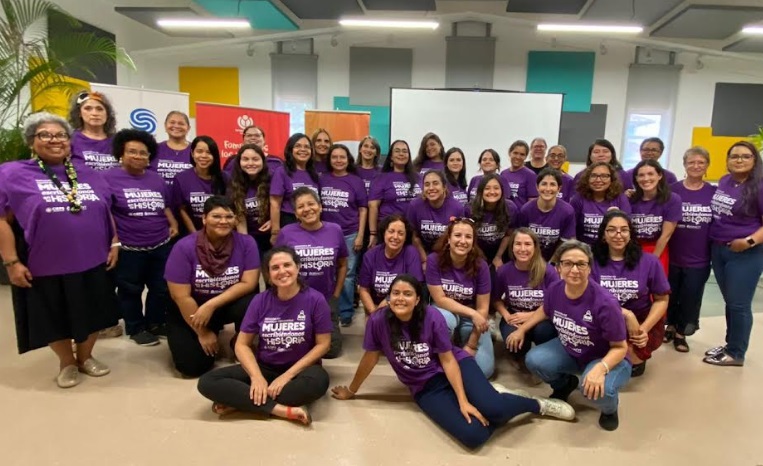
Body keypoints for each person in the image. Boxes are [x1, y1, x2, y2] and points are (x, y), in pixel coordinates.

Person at [331, 275, 575, 450]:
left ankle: (535, 404)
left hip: (456, 367)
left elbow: (448, 360)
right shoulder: (378, 321)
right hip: (425, 387)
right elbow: (371, 357)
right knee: (474, 437)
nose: (400, 298)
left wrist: (462, 402)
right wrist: (352, 391)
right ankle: (494, 398)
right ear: (389, 297)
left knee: (495, 410)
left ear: (418, 300)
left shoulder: (432, 317)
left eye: (408, 294)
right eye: (395, 293)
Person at [0, 112, 120, 388]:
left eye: (61, 135)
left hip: (93, 259)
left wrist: (113, 242)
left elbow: (105, 210)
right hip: (46, 262)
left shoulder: (88, 173)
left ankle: (86, 357)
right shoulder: (12, 173)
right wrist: (11, 262)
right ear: (32, 142)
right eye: (45, 135)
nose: (55, 140)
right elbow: (2, 220)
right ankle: (67, 362)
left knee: (94, 313)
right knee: (54, 315)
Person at [197, 247, 331, 425]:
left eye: (287, 265)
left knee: (318, 382)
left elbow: (323, 344)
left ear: (297, 267)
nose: (282, 271)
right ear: (268, 275)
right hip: (266, 367)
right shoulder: (259, 300)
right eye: (275, 268)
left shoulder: (316, 299)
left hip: (301, 370)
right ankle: (280, 409)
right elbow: (242, 344)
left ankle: (243, 402)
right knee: (207, 382)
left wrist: (287, 376)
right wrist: (256, 377)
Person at [514, 240, 631, 431]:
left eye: (581, 264)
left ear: (589, 268)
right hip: (571, 348)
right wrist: (522, 329)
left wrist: (600, 368)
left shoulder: (605, 303)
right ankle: (565, 384)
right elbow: (545, 310)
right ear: (559, 267)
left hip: (605, 357)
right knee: (534, 360)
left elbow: (620, 347)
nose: (574, 270)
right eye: (567, 263)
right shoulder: (555, 289)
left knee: (596, 390)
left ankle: (609, 409)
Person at [164, 196, 259, 377]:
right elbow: (180, 296)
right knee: (191, 368)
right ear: (204, 218)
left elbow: (249, 283)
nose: (223, 221)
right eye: (216, 216)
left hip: (223, 305)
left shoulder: (247, 243)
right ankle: (207, 331)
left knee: (256, 300)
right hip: (191, 309)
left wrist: (211, 304)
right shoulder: (184, 247)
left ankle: (240, 341)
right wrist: (203, 332)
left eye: (229, 217)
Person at [105, 129, 179, 346]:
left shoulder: (156, 179)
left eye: (143, 153)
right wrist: (114, 241)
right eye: (132, 152)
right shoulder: (108, 178)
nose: (138, 156)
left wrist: (173, 223)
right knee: (130, 289)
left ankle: (156, 322)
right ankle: (136, 327)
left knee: (161, 287)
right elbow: (106, 213)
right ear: (121, 153)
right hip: (129, 247)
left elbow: (163, 205)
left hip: (160, 242)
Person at [704, 141, 763, 367]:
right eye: (734, 156)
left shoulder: (759, 185)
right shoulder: (725, 181)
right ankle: (730, 344)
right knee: (730, 301)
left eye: (746, 156)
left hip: (746, 253)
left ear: (754, 160)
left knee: (739, 304)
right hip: (719, 249)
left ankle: (736, 353)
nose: (739, 160)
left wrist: (748, 241)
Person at [592, 211, 670, 377]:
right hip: (602, 318)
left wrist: (644, 329)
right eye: (611, 230)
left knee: (631, 360)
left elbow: (662, 299)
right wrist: (626, 314)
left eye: (624, 230)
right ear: (603, 235)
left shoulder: (649, 261)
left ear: (631, 234)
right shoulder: (591, 261)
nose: (618, 235)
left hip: (640, 320)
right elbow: (588, 300)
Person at [275, 187, 347, 357]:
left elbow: (343, 264)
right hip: (295, 299)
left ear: (320, 206)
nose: (307, 209)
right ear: (296, 214)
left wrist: (335, 295)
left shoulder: (335, 230)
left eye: (311, 204)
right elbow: (275, 265)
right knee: (294, 346)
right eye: (301, 207)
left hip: (326, 299)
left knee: (331, 352)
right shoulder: (286, 233)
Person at [426, 218, 494, 378]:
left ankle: (461, 341)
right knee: (447, 320)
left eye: (468, 237)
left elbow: (483, 308)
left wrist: (471, 344)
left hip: (471, 317)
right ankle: (443, 352)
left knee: (485, 371)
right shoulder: (433, 260)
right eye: (457, 235)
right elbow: (440, 298)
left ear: (473, 242)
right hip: (444, 310)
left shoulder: (481, 266)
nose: (463, 241)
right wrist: (473, 314)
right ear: (448, 239)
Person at [665, 146, 716, 353]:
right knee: (669, 294)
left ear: (707, 166)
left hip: (699, 257)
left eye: (700, 162)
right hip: (672, 254)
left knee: (691, 296)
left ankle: (681, 333)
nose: (696, 166)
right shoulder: (673, 190)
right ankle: (669, 326)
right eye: (691, 162)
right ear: (684, 165)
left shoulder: (713, 193)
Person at [493, 229, 559, 368]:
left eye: (528, 244)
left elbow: (555, 303)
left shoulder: (548, 271)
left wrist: (529, 316)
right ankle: (518, 356)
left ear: (535, 247)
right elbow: (496, 299)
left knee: (545, 332)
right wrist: (506, 316)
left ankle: (543, 359)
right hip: (514, 314)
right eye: (518, 244)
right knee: (514, 340)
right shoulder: (504, 271)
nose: (523, 249)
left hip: (542, 316)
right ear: (512, 247)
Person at [319, 144, 368, 327]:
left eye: (342, 157)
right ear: (329, 160)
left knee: (347, 274)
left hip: (350, 233)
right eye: (334, 157)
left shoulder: (356, 181)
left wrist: (360, 235)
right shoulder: (322, 179)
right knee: (327, 273)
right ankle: (327, 309)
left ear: (348, 159)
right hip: (326, 233)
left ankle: (345, 312)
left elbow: (363, 209)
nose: (338, 160)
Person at [358, 215, 424, 314]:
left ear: (406, 237)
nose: (395, 237)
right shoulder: (370, 255)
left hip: (403, 306)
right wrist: (374, 314)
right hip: (375, 307)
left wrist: (387, 302)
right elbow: (364, 290)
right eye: (391, 231)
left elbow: (413, 288)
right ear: (384, 233)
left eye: (401, 233)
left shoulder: (411, 253)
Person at [629, 159, 681, 272]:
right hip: (631, 250)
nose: (646, 179)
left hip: (658, 249)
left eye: (650, 174)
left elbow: (666, 235)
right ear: (636, 179)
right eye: (641, 175)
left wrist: (653, 260)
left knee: (655, 287)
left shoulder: (672, 199)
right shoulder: (630, 199)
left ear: (660, 175)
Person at [368, 140, 421, 248]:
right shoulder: (381, 178)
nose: (401, 154)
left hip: (413, 232)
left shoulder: (419, 177)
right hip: (390, 232)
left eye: (404, 151)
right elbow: (373, 206)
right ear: (391, 156)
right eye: (397, 151)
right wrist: (373, 233)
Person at [269, 133, 321, 244]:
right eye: (298, 146)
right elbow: (275, 203)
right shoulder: (282, 172)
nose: (303, 149)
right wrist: (275, 231)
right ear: (290, 149)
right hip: (289, 221)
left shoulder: (313, 174)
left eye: (307, 147)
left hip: (311, 223)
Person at [172, 136, 228, 232]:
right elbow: (182, 210)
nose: (204, 156)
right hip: (192, 232)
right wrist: (195, 234)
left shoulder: (225, 178)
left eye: (209, 152)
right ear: (192, 153)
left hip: (220, 231)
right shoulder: (181, 178)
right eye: (199, 151)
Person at [519, 168, 576, 262]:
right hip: (530, 259)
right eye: (544, 184)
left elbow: (566, 243)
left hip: (556, 259)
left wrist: (551, 264)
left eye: (552, 184)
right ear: (537, 187)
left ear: (559, 188)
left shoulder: (567, 211)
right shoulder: (526, 210)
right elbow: (522, 240)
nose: (548, 189)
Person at [408, 170, 465, 261]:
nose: (431, 188)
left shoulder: (457, 208)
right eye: (427, 184)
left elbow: (458, 240)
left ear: (444, 187)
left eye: (435, 183)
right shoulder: (415, 206)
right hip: (422, 253)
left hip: (447, 254)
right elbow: (414, 237)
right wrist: (424, 260)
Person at [570, 162, 631, 244]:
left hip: (611, 247)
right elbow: (571, 229)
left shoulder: (620, 198)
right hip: (585, 249)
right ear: (587, 178)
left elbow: (626, 228)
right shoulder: (578, 199)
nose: (598, 180)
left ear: (611, 179)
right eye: (593, 176)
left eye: (604, 176)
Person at [466, 174, 517, 271]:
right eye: (487, 188)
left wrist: (498, 257)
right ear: (481, 191)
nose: (492, 192)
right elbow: (469, 237)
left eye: (496, 188)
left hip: (502, 253)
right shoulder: (469, 209)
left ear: (502, 191)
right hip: (476, 252)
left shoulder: (510, 208)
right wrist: (481, 257)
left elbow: (509, 234)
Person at [229, 144, 272, 259]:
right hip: (249, 236)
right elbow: (239, 218)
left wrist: (274, 221)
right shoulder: (234, 185)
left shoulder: (272, 180)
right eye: (245, 159)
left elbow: (280, 206)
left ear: (263, 161)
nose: (250, 163)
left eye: (255, 159)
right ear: (239, 162)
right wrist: (246, 245)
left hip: (272, 236)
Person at [67, 90, 119, 172]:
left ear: (107, 114)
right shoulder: (70, 139)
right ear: (79, 113)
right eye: (88, 108)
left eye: (99, 109)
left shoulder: (118, 141)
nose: (94, 113)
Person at [150, 111, 193, 186]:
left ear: (188, 128)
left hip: (186, 196)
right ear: (165, 126)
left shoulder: (195, 150)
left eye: (181, 123)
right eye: (172, 122)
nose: (176, 126)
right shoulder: (154, 148)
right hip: (160, 196)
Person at [500, 140, 537, 207]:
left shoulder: (530, 175)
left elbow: (532, 202)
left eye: (522, 154)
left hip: (521, 216)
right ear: (510, 153)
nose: (518, 157)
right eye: (515, 153)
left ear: (526, 157)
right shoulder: (503, 174)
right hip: (505, 215)